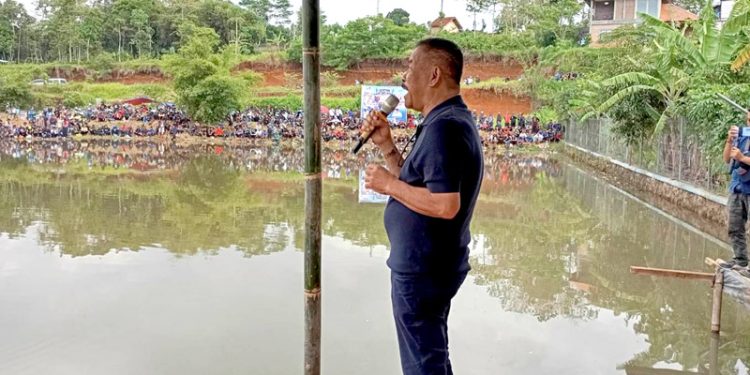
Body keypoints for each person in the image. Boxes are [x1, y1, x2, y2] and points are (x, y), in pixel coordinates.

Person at [361, 38, 483, 375]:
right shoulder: (442, 121)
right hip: (429, 266)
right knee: (431, 357)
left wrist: (388, 185)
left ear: (433, 75)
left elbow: (445, 205)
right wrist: (387, 147)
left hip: (424, 270)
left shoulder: (445, 127)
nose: (404, 77)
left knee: (422, 365)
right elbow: (420, 185)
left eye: (410, 67)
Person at [722, 111, 750, 271]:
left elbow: (740, 158)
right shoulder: (742, 135)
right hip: (737, 187)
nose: (749, 123)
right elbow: (727, 159)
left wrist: (742, 158)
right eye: (748, 120)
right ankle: (740, 260)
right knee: (734, 227)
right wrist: (729, 140)